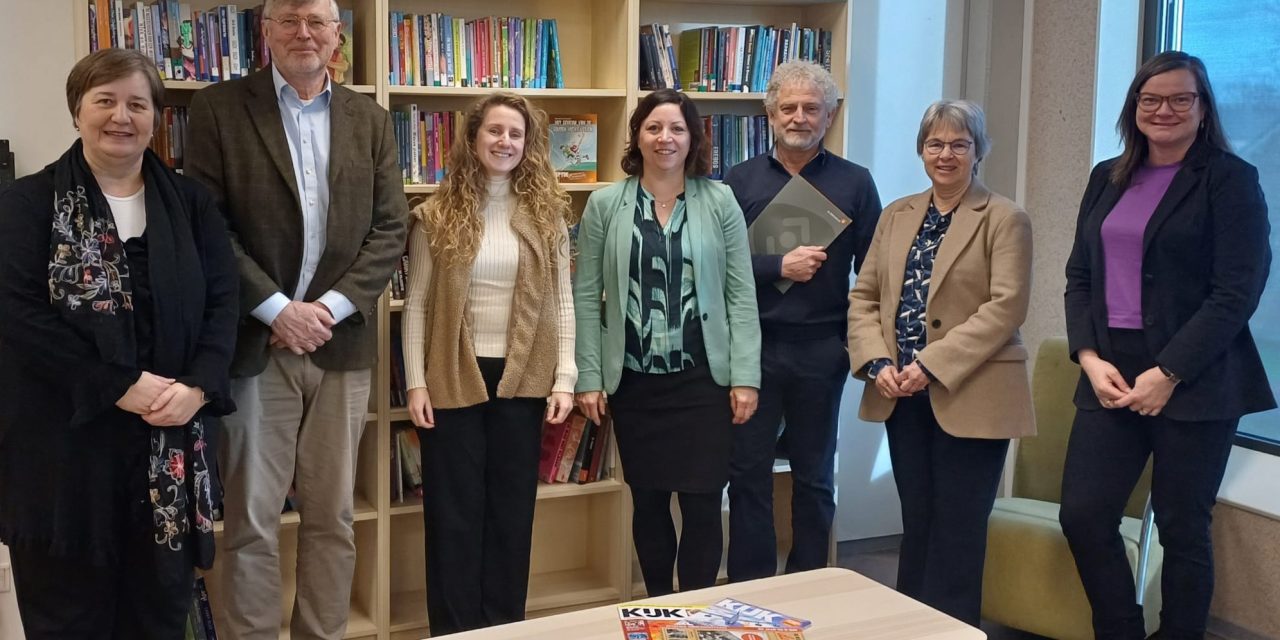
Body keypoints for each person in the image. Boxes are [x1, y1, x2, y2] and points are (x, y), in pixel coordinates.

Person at [184, 1, 409, 637]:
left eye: (316, 20)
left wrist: (329, 311)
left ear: (338, 32)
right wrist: (279, 310)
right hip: (257, 344)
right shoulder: (220, 109)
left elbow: (390, 229)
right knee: (252, 519)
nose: (303, 33)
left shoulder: (371, 119)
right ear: (267, 30)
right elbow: (209, 224)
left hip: (341, 346)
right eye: (288, 19)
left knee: (333, 516)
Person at [0, 48, 238, 639]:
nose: (120, 116)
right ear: (77, 110)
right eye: (104, 101)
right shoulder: (26, 205)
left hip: (167, 457)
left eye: (137, 103)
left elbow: (222, 306)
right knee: (68, 622)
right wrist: (119, 386)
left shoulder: (192, 205)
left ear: (156, 117)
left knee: (157, 620)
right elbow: (18, 317)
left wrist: (199, 388)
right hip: (63, 465)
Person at [1059, 51, 1273, 640]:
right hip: (1109, 373)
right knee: (1082, 515)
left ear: (1203, 109)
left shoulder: (1230, 180)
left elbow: (1238, 290)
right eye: (1151, 99)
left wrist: (1170, 372)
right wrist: (1088, 356)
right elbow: (1081, 276)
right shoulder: (1107, 175)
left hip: (1196, 378)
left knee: (1183, 528)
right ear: (1134, 108)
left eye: (1182, 98)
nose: (1165, 110)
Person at [846, 99, 1034, 626]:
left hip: (971, 394)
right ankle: (910, 628)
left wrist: (930, 365)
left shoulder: (1004, 217)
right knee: (919, 524)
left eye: (959, 144)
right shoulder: (897, 214)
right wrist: (875, 361)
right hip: (901, 394)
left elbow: (1005, 308)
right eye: (935, 143)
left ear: (978, 152)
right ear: (921, 150)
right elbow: (865, 297)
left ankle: (951, 633)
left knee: (959, 530)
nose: (945, 154)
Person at [400, 92, 576, 635]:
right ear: (473, 139)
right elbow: (419, 305)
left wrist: (565, 376)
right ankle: (453, 629)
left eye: (516, 134)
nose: (505, 142)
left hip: (524, 379)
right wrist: (414, 383)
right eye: (495, 131)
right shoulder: (436, 214)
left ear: (529, 144)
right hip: (454, 377)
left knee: (510, 516)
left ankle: (503, 627)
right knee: (452, 518)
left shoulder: (550, 215)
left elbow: (562, 299)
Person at [574, 89, 761, 596]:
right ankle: (661, 608)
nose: (665, 138)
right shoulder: (605, 204)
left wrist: (746, 376)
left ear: (693, 138)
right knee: (649, 501)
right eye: (654, 127)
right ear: (637, 134)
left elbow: (740, 294)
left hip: (703, 381)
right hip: (634, 383)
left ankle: (697, 611)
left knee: (703, 502)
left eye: (677, 128)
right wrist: (588, 376)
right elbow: (587, 297)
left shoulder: (720, 200)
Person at [722, 59, 881, 581]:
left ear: (830, 115)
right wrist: (776, 266)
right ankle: (752, 587)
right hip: (753, 348)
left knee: (815, 478)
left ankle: (812, 583)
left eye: (811, 108)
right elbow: (715, 269)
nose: (798, 117)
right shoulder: (737, 181)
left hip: (822, 349)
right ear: (769, 113)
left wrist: (857, 347)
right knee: (748, 475)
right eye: (787, 107)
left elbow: (875, 273)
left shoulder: (855, 182)